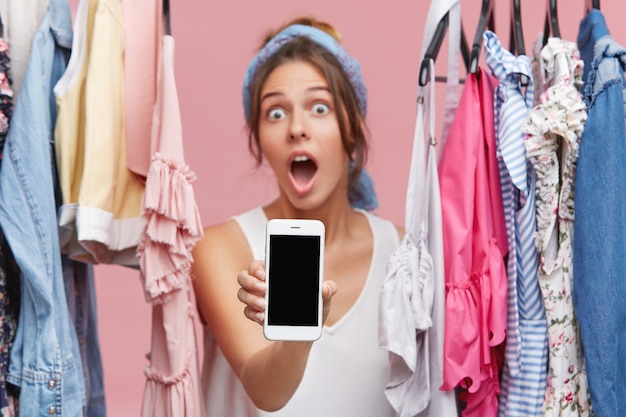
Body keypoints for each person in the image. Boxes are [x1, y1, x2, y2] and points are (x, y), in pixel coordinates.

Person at [191, 16, 403, 416]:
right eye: (275, 114)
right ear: (258, 140)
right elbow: (266, 391)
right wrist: (300, 332)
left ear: (353, 129)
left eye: (319, 107)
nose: (296, 128)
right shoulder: (220, 248)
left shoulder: (406, 253)